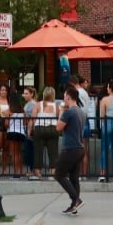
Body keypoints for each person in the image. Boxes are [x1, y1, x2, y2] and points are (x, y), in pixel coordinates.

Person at [54, 85, 86, 215]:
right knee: (74, 177)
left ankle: (76, 199)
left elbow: (58, 128)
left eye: (65, 96)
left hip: (70, 148)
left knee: (59, 174)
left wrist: (61, 111)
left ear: (68, 97)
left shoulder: (68, 112)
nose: (64, 98)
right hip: (80, 147)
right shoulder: (81, 112)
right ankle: (74, 205)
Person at [31, 86, 60, 178]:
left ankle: (38, 172)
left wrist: (30, 129)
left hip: (39, 128)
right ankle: (53, 172)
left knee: (38, 151)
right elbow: (59, 117)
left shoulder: (38, 104)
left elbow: (33, 118)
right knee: (53, 152)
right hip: (52, 128)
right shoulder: (56, 106)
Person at [74, 76, 94, 176]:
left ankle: (80, 173)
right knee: (84, 149)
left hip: (79, 121)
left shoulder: (77, 92)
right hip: (86, 120)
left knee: (78, 149)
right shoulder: (85, 93)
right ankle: (84, 173)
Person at [21, 86, 37, 179]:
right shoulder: (27, 104)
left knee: (31, 150)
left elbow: (32, 117)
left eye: (27, 93)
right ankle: (32, 170)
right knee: (29, 150)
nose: (24, 95)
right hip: (27, 128)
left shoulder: (32, 104)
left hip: (30, 129)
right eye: (24, 93)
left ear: (32, 94)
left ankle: (33, 170)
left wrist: (30, 129)